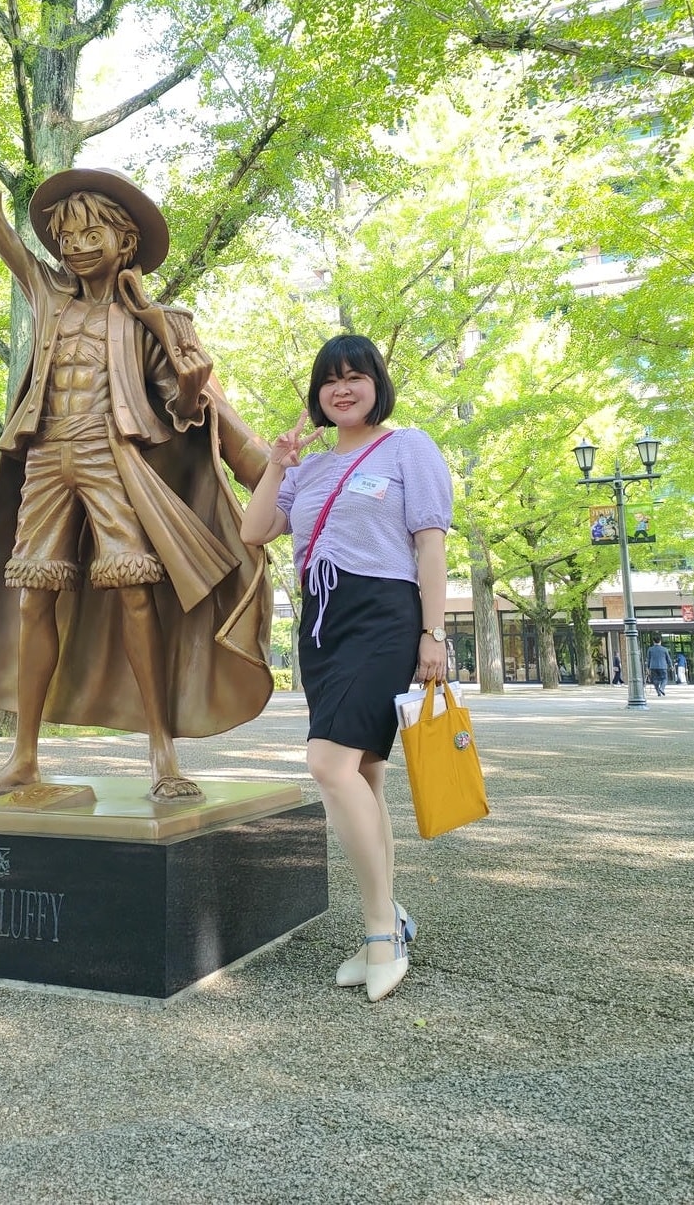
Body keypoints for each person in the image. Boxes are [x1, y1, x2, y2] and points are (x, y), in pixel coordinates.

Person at [0, 103, 273, 802]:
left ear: (124, 240)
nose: (75, 245)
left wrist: (191, 387)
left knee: (136, 594)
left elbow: (184, 413)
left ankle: (162, 754)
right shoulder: (47, 295)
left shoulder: (157, 321)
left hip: (113, 460)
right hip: (46, 457)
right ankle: (23, 757)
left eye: (91, 232)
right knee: (33, 598)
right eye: (65, 235)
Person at [239, 334, 452, 1003]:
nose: (342, 389)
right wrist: (276, 466)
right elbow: (253, 531)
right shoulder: (308, 468)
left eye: (355, 376)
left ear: (376, 385)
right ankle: (390, 917)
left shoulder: (407, 447)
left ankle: (380, 931)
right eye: (330, 380)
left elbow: (430, 546)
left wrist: (433, 634)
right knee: (363, 773)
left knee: (328, 764)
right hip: (322, 627)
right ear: (318, 394)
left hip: (384, 616)